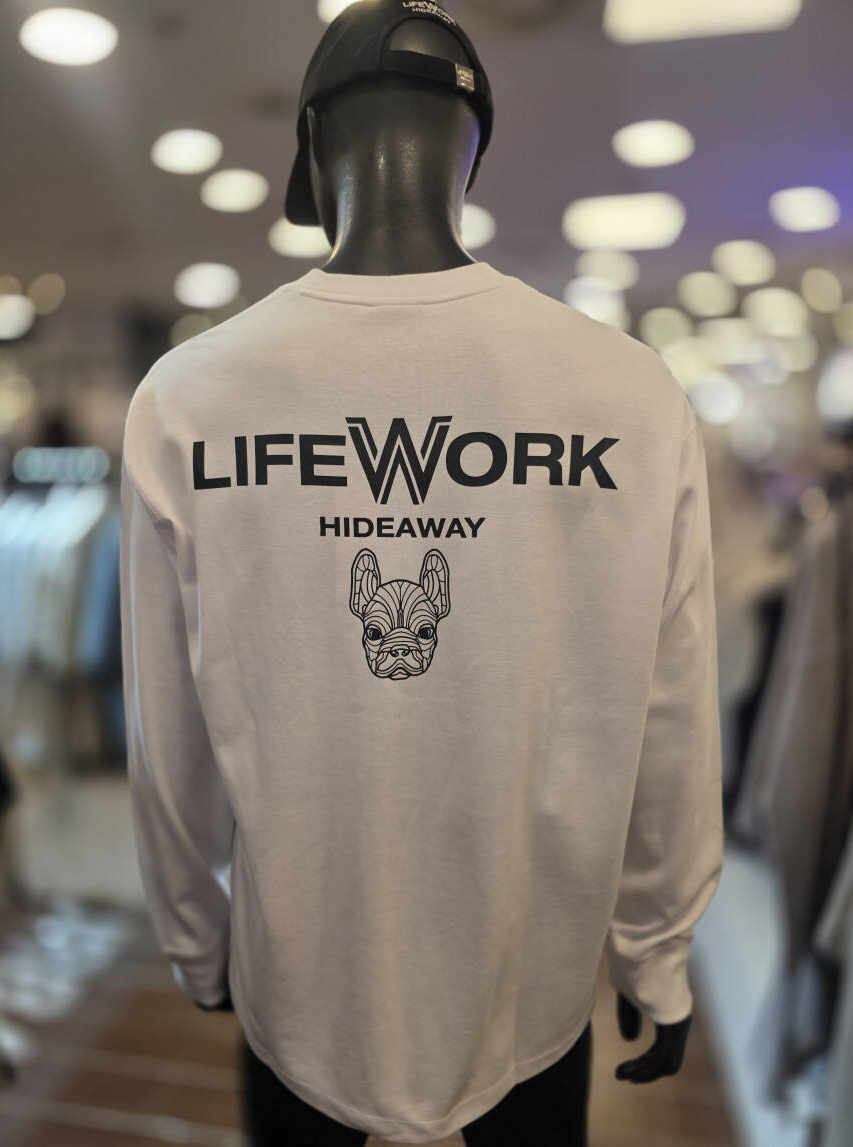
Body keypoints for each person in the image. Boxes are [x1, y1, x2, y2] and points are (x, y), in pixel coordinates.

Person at [119, 2, 723, 1143]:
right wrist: (657, 949)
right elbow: (670, 709)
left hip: (297, 979)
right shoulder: (625, 392)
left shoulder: (191, 396)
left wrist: (197, 935)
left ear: (311, 143)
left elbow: (166, 727)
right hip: (531, 978)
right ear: (470, 152)